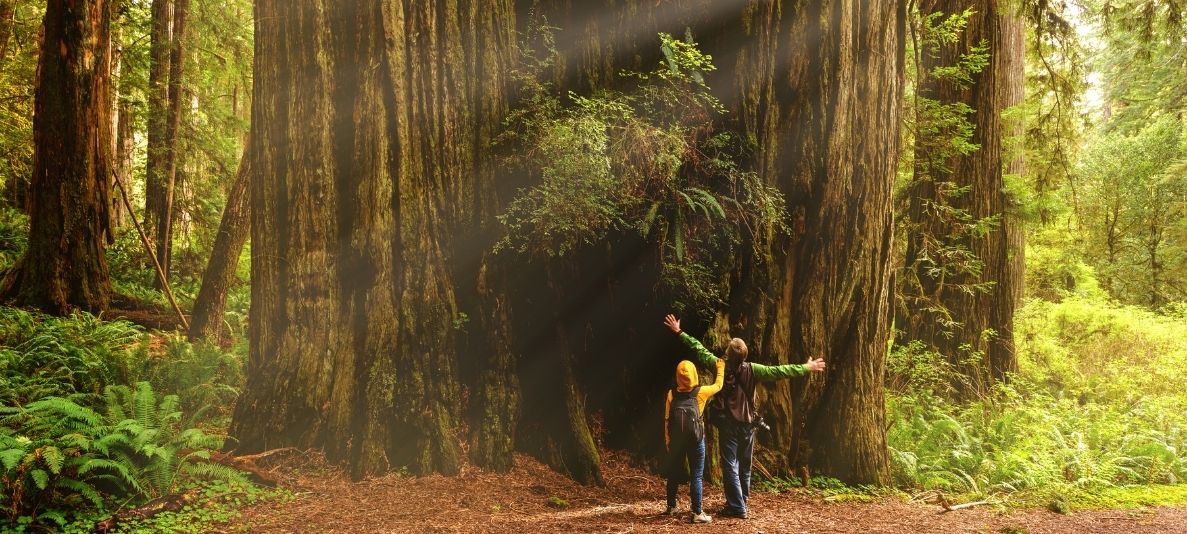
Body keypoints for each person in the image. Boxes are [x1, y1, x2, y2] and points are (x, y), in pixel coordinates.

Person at [663, 314, 826, 519]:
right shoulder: (753, 369)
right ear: (744, 356)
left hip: (729, 425)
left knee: (730, 464)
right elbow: (780, 371)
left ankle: (738, 506)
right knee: (744, 464)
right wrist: (806, 367)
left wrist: (679, 332)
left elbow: (698, 349)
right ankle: (741, 501)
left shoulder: (719, 364)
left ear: (728, 354)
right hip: (748, 424)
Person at [663, 353, 725, 524]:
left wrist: (668, 440)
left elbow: (667, 419)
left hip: (676, 440)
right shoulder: (701, 393)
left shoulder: (671, 394)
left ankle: (671, 506)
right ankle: (697, 513)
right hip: (695, 439)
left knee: (673, 473)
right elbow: (718, 385)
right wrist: (720, 368)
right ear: (694, 375)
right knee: (696, 475)